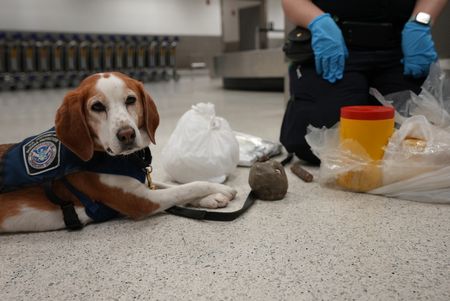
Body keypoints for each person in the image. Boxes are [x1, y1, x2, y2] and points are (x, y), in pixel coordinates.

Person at [280, 0, 448, 164]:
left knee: (417, 143)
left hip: (401, 47)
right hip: (335, 46)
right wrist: (318, 22)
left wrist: (420, 22)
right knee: (316, 144)